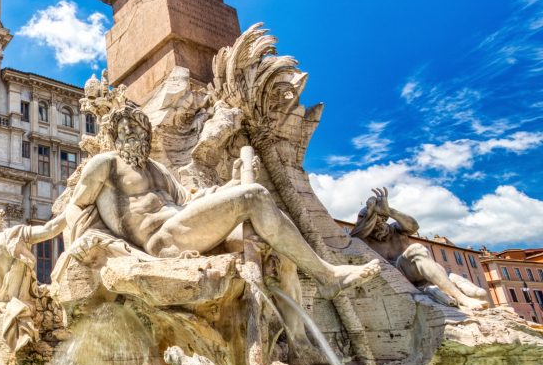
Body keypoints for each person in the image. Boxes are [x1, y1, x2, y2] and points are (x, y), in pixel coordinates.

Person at [66, 103, 380, 297]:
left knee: (275, 243)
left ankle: (299, 343)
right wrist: (85, 239)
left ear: (146, 133)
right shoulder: (104, 164)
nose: (128, 134)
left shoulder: (158, 169)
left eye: (134, 128)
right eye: (122, 131)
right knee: (254, 196)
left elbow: (190, 202)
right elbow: (77, 207)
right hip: (162, 241)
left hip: (183, 226)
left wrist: (231, 182)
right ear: (113, 136)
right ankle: (327, 276)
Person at [351, 188, 488, 310]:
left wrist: (390, 211)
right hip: (396, 278)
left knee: (479, 293)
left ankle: (455, 285)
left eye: (381, 218)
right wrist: (369, 214)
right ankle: (461, 294)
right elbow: (354, 236)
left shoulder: (396, 230)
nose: (378, 223)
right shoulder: (361, 239)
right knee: (417, 250)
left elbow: (414, 227)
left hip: (418, 274)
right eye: (372, 219)